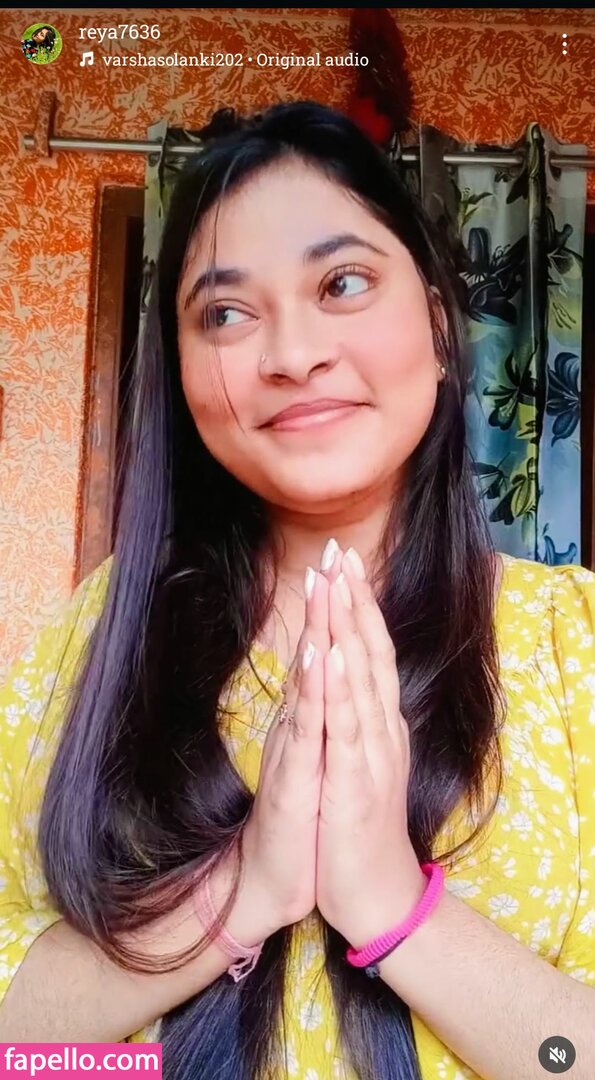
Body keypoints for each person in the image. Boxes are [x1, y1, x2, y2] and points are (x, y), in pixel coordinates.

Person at [0, 101, 593, 1079]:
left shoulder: (573, 638)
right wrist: (238, 892)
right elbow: (19, 1043)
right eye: (226, 313)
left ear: (436, 322)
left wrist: (393, 909)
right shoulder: (106, 633)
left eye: (342, 283)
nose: (290, 354)